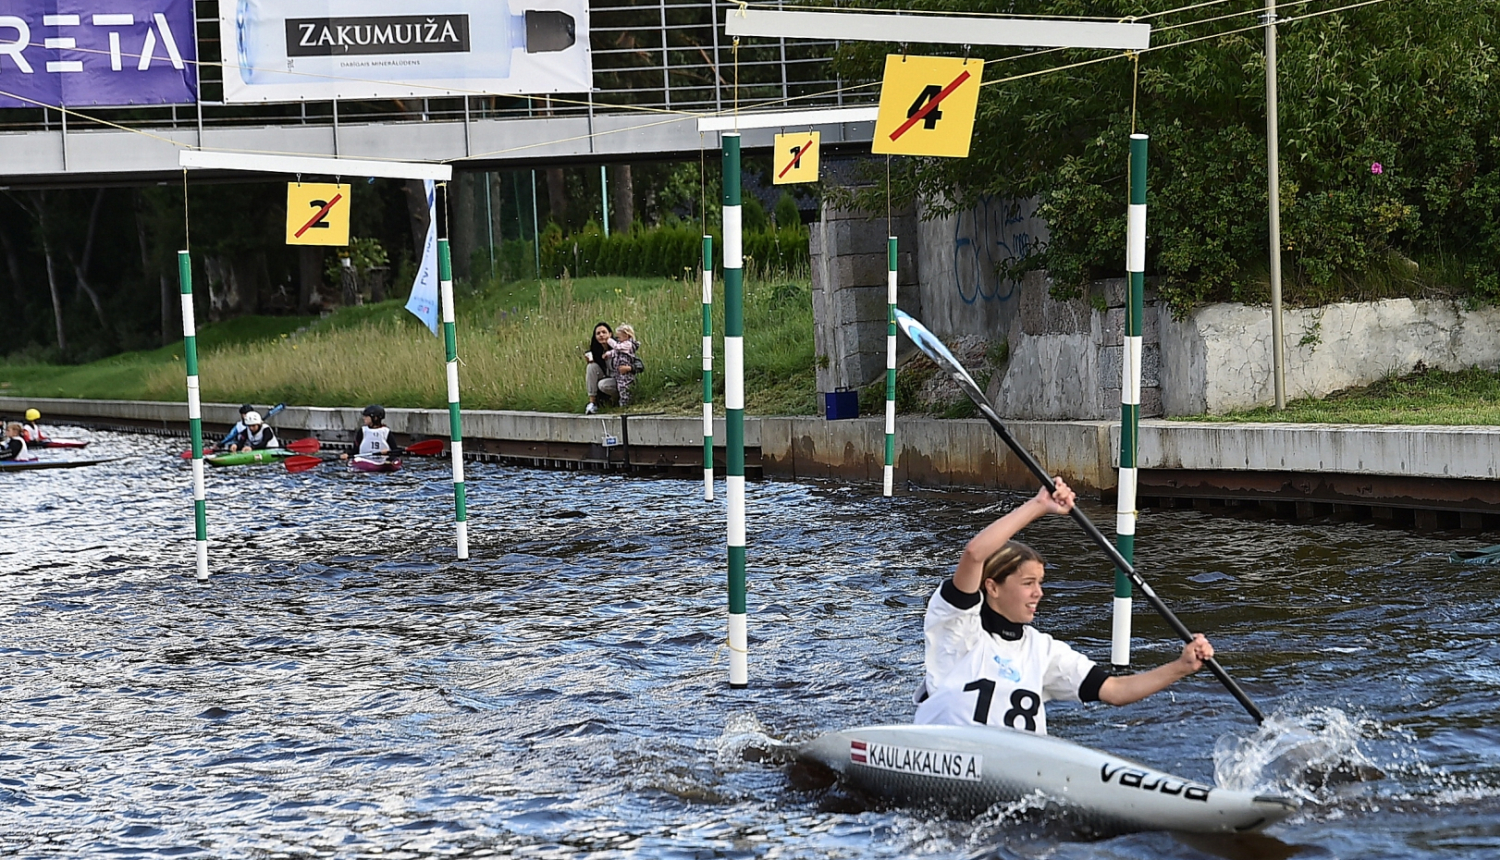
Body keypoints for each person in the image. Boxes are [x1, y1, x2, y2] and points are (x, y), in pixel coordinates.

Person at [913, 478, 1216, 736]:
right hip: (946, 755)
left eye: (1040, 583)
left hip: (1012, 771)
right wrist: (1040, 505)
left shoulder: (1043, 651)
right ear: (992, 587)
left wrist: (1180, 667)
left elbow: (1115, 691)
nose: (1038, 593)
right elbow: (975, 554)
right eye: (1028, 583)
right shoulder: (957, 628)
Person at [583, 321, 620, 414]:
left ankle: (617, 400)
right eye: (598, 333)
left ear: (610, 334)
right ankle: (592, 403)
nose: (601, 335)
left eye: (604, 332)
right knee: (591, 367)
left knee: (603, 384)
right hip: (607, 377)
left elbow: (637, 363)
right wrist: (592, 360)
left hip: (620, 380)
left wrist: (628, 368)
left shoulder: (619, 347)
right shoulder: (597, 350)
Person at [605, 323, 641, 408]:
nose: (618, 339)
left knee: (624, 386)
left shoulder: (628, 344)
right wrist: (608, 354)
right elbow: (615, 351)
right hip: (619, 372)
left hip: (625, 372)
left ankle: (626, 402)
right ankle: (622, 402)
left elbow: (617, 347)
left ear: (627, 336)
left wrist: (609, 340)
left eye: (619, 337)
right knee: (620, 386)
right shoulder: (622, 345)